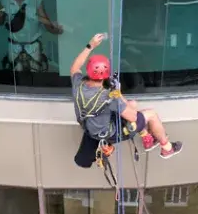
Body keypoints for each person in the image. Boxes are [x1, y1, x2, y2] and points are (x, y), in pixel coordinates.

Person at [71, 33, 182, 164]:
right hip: (109, 133)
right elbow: (132, 117)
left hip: (90, 126)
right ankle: (167, 148)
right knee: (151, 114)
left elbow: (75, 67)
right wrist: (117, 92)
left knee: (133, 104)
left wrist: (91, 45)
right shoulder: (108, 96)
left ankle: (147, 139)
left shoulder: (79, 84)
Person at [0, 0, 63, 72]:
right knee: (16, 76)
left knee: (36, 73)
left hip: (33, 46)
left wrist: (56, 29)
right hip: (14, 46)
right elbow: (0, 22)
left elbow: (46, 23)